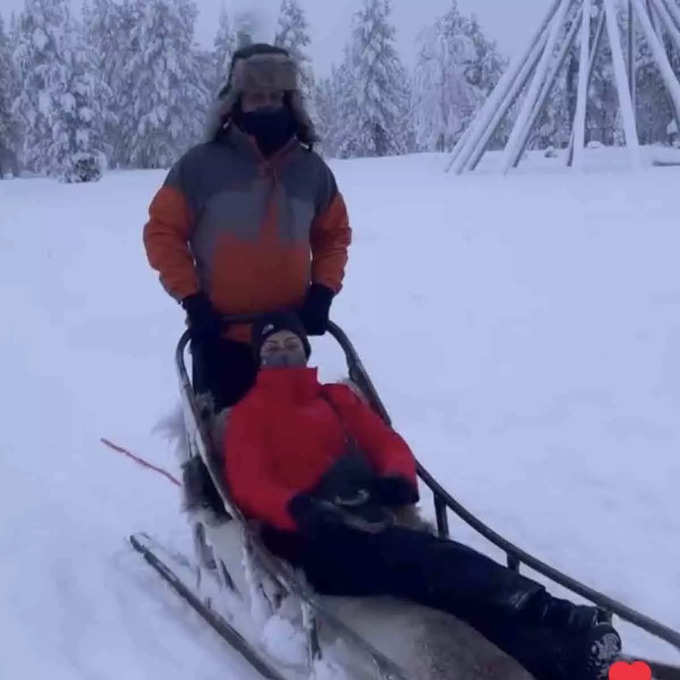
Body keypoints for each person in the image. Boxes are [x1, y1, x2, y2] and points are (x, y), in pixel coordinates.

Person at [222, 312, 622, 680]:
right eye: (271, 348)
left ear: (305, 350)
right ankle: (546, 609)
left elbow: (386, 443)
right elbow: (248, 482)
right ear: (259, 359)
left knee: (451, 593)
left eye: (291, 344)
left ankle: (563, 659)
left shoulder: (335, 399)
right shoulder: (248, 415)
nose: (282, 354)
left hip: (368, 519)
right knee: (433, 561)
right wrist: (297, 508)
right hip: (315, 541)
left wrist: (396, 477)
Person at [143, 44, 351, 409]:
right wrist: (192, 299)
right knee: (226, 452)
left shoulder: (311, 171)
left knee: (298, 445)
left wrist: (322, 291)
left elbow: (333, 236)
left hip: (286, 340)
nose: (267, 105)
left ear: (290, 102)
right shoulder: (199, 166)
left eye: (276, 96)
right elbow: (163, 232)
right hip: (220, 337)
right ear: (236, 102)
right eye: (256, 97)